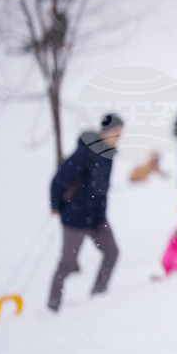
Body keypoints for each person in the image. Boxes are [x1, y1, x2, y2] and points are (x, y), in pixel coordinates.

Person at [47, 113, 124, 312]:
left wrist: (100, 211)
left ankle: (98, 294)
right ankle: (53, 305)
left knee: (112, 253)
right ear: (106, 131)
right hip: (76, 218)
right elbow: (58, 180)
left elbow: (101, 189)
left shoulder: (109, 155)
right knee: (67, 263)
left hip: (97, 217)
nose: (119, 137)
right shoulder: (86, 153)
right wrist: (55, 205)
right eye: (117, 132)